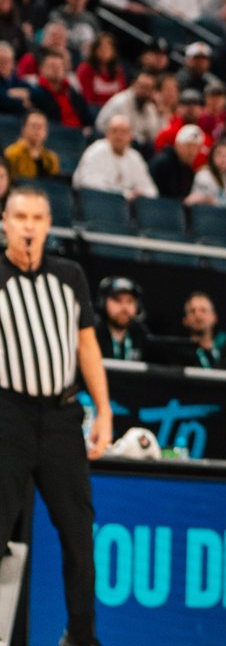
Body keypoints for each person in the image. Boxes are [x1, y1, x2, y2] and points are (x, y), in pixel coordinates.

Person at [0, 186, 113, 646]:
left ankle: (82, 637)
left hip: (63, 416)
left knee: (79, 535)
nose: (28, 225)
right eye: (20, 216)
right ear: (4, 221)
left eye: (38, 217)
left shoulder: (69, 275)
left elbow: (87, 345)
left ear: (49, 224)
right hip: (7, 414)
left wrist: (104, 410)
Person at [72, 115, 157, 198]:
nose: (119, 136)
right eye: (114, 131)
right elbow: (87, 183)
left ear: (130, 136)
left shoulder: (135, 157)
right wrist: (124, 194)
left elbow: (152, 191)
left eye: (123, 132)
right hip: (95, 202)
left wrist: (140, 193)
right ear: (107, 133)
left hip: (123, 208)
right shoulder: (95, 151)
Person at [94, 70, 163, 149]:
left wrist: (160, 114)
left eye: (149, 88)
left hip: (131, 143)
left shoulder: (149, 106)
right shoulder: (121, 102)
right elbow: (125, 131)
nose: (145, 91)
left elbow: (154, 134)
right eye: (142, 87)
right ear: (134, 85)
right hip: (107, 140)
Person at [94, 275, 146, 361]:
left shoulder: (142, 336)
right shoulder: (93, 335)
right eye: (117, 300)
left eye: (130, 301)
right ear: (102, 303)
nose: (124, 308)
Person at [148, 123, 203, 200]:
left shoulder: (189, 171)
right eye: (189, 146)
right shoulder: (161, 163)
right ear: (178, 145)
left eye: (196, 148)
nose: (192, 152)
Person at [4, 108, 60, 180]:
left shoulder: (51, 158)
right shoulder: (11, 154)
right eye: (33, 126)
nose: (37, 130)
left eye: (41, 127)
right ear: (23, 129)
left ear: (46, 131)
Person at [175, 290, 226, 369]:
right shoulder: (178, 356)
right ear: (185, 320)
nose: (198, 315)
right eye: (192, 311)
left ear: (214, 317)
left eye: (203, 310)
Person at [187, 139, 226, 206]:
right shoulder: (204, 175)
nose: (223, 158)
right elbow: (194, 201)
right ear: (212, 156)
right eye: (219, 153)